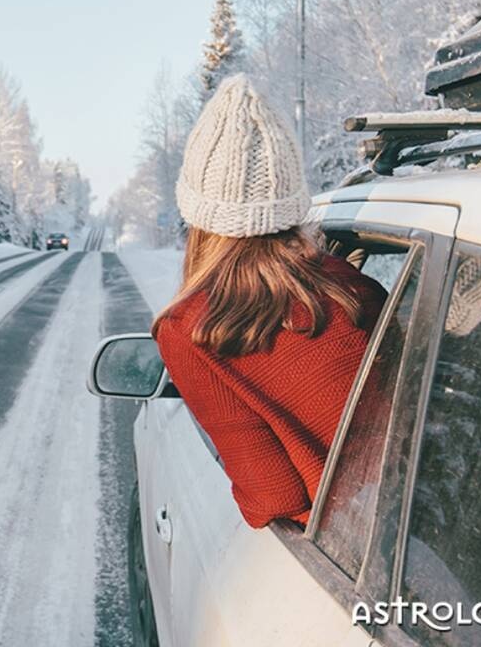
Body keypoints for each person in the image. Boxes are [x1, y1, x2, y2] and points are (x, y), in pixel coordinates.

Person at [152, 75, 387, 529]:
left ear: (198, 215)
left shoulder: (190, 330)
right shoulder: (353, 290)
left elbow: (273, 498)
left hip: (342, 540)